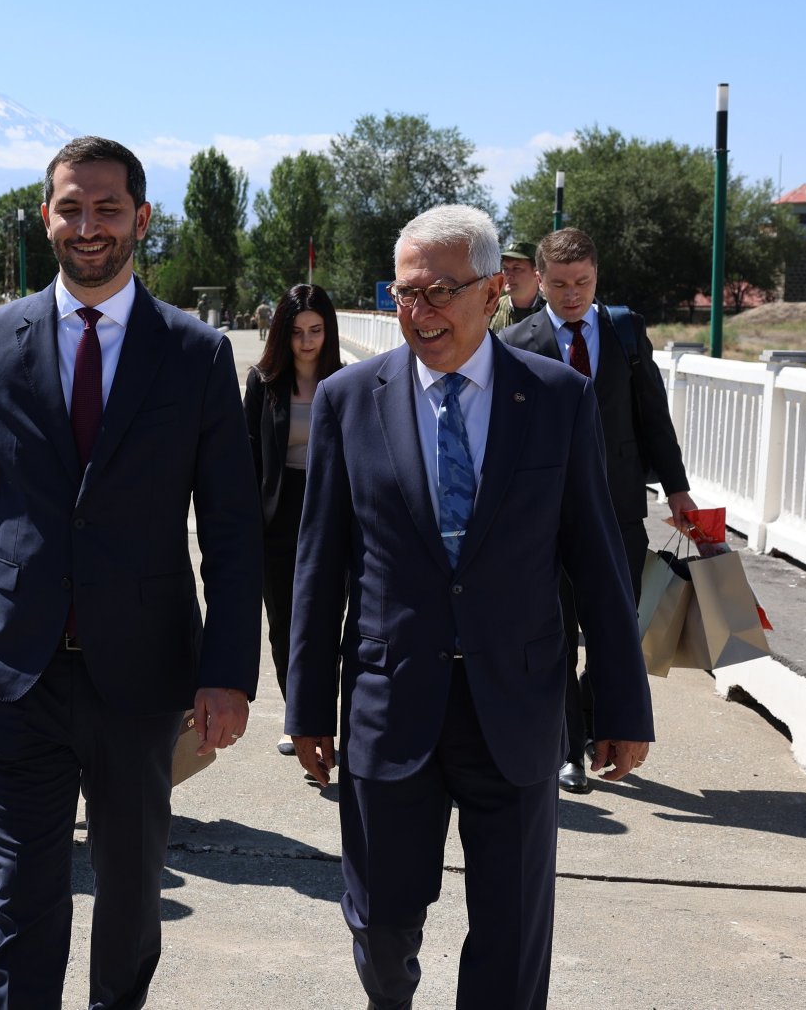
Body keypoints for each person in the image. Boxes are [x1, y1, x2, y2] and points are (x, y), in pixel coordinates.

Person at [0, 136, 262, 1009]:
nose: (89, 224)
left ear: (141, 219)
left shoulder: (196, 353)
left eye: (107, 208)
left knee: (132, 891)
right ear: (46, 218)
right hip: (13, 666)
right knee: (24, 897)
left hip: (142, 677)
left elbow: (230, 529)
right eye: (72, 206)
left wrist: (227, 674)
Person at [287, 205, 654, 1010]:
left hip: (517, 709)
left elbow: (596, 563)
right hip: (390, 706)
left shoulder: (557, 399)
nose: (416, 313)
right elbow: (321, 567)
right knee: (381, 927)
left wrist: (622, 705)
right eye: (402, 294)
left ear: (493, 291)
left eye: (439, 292)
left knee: (513, 934)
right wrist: (307, 707)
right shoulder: (353, 400)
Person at [499, 227, 695, 792]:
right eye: (558, 284)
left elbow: (652, 416)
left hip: (618, 508)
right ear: (539, 280)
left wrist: (678, 489)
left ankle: (587, 720)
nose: (571, 294)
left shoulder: (625, 331)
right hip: (544, 517)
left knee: (620, 625)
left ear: (596, 277)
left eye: (582, 282)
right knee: (556, 632)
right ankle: (566, 749)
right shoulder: (516, 341)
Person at [243, 284, 343, 756]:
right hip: (278, 517)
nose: (307, 341)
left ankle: (328, 721)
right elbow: (245, 457)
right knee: (284, 623)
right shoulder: (262, 384)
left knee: (329, 622)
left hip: (331, 513)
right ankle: (296, 718)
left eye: (316, 331)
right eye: (298, 332)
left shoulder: (346, 382)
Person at [487, 240, 544, 332]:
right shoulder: (490, 309)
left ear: (536, 272)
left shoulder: (551, 313)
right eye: (505, 268)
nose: (508, 275)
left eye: (516, 268)